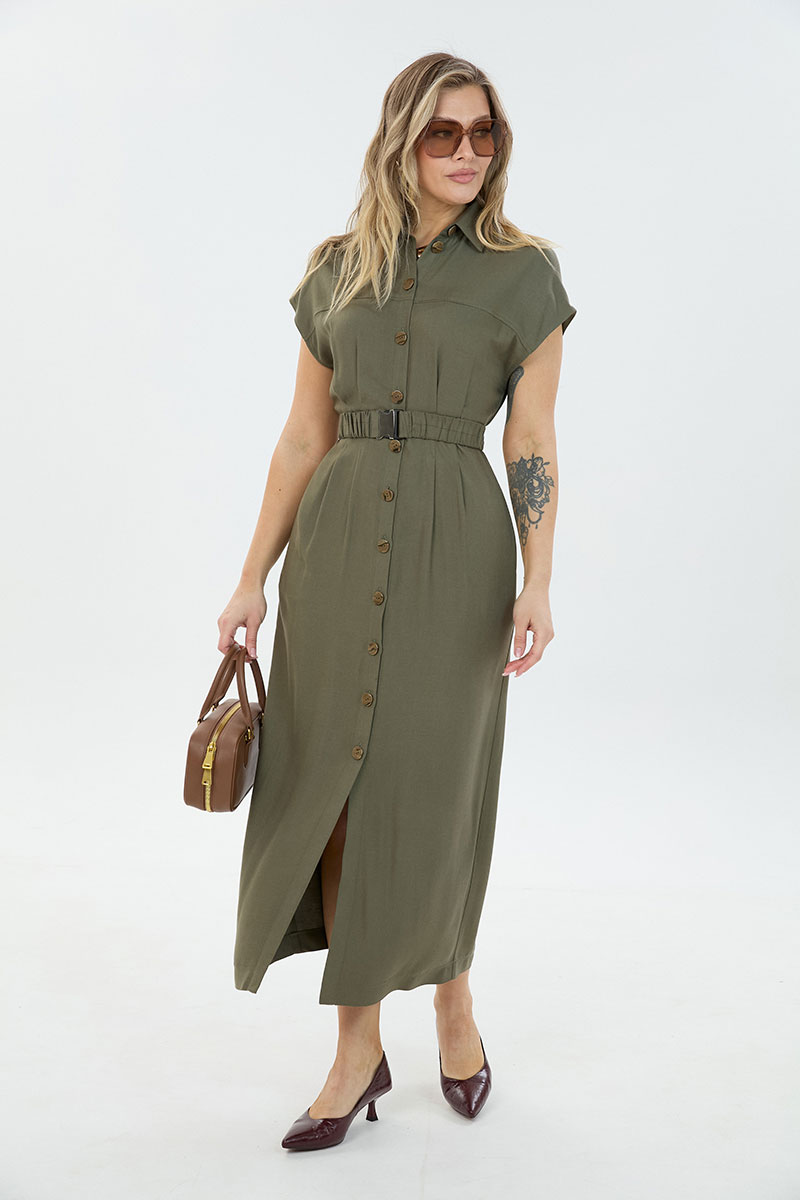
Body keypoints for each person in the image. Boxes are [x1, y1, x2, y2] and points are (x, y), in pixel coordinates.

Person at [215, 51, 577, 1151]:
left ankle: (453, 1005)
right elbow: (302, 437)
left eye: (483, 132)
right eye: (443, 133)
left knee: (429, 792)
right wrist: (250, 577)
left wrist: (537, 577)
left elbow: (530, 438)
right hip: (332, 552)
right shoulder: (336, 270)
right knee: (336, 791)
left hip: (452, 556)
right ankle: (357, 1050)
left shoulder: (524, 274)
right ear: (400, 141)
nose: (467, 151)